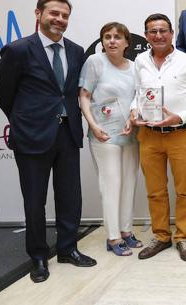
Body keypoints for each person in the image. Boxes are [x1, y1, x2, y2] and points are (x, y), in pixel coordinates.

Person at [0, 0, 96, 283]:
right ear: (38, 13)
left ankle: (67, 249)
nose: (59, 20)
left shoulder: (76, 51)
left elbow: (71, 91)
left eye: (65, 15)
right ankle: (38, 257)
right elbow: (3, 94)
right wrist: (26, 120)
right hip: (32, 137)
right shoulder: (18, 50)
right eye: (54, 13)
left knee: (70, 197)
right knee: (34, 200)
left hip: (67, 133)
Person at [130, 14, 186, 262]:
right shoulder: (140, 60)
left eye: (163, 30)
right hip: (149, 135)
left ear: (172, 33)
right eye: (152, 31)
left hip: (180, 134)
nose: (158, 35)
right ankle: (161, 236)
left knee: (185, 190)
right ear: (146, 36)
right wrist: (134, 110)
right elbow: (137, 94)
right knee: (155, 191)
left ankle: (183, 237)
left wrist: (179, 117)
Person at [79, 22, 141, 257]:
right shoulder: (95, 62)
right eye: (107, 37)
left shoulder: (135, 68)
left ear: (127, 42)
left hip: (131, 133)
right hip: (104, 133)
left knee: (128, 184)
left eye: (117, 37)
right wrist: (93, 125)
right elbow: (84, 96)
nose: (112, 41)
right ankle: (112, 236)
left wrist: (134, 116)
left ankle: (126, 231)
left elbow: (138, 97)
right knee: (111, 185)